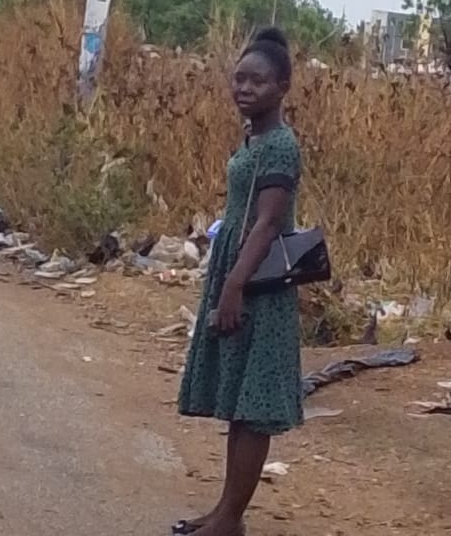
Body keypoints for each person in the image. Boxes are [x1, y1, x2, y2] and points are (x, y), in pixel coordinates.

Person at [176, 27, 303, 536]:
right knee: (238, 403)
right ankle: (225, 513)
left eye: (258, 81)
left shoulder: (280, 146)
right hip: (240, 271)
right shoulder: (255, 137)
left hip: (259, 285)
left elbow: (269, 222)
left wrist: (233, 287)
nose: (245, 88)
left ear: (283, 87)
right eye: (239, 78)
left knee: (253, 406)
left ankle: (229, 518)